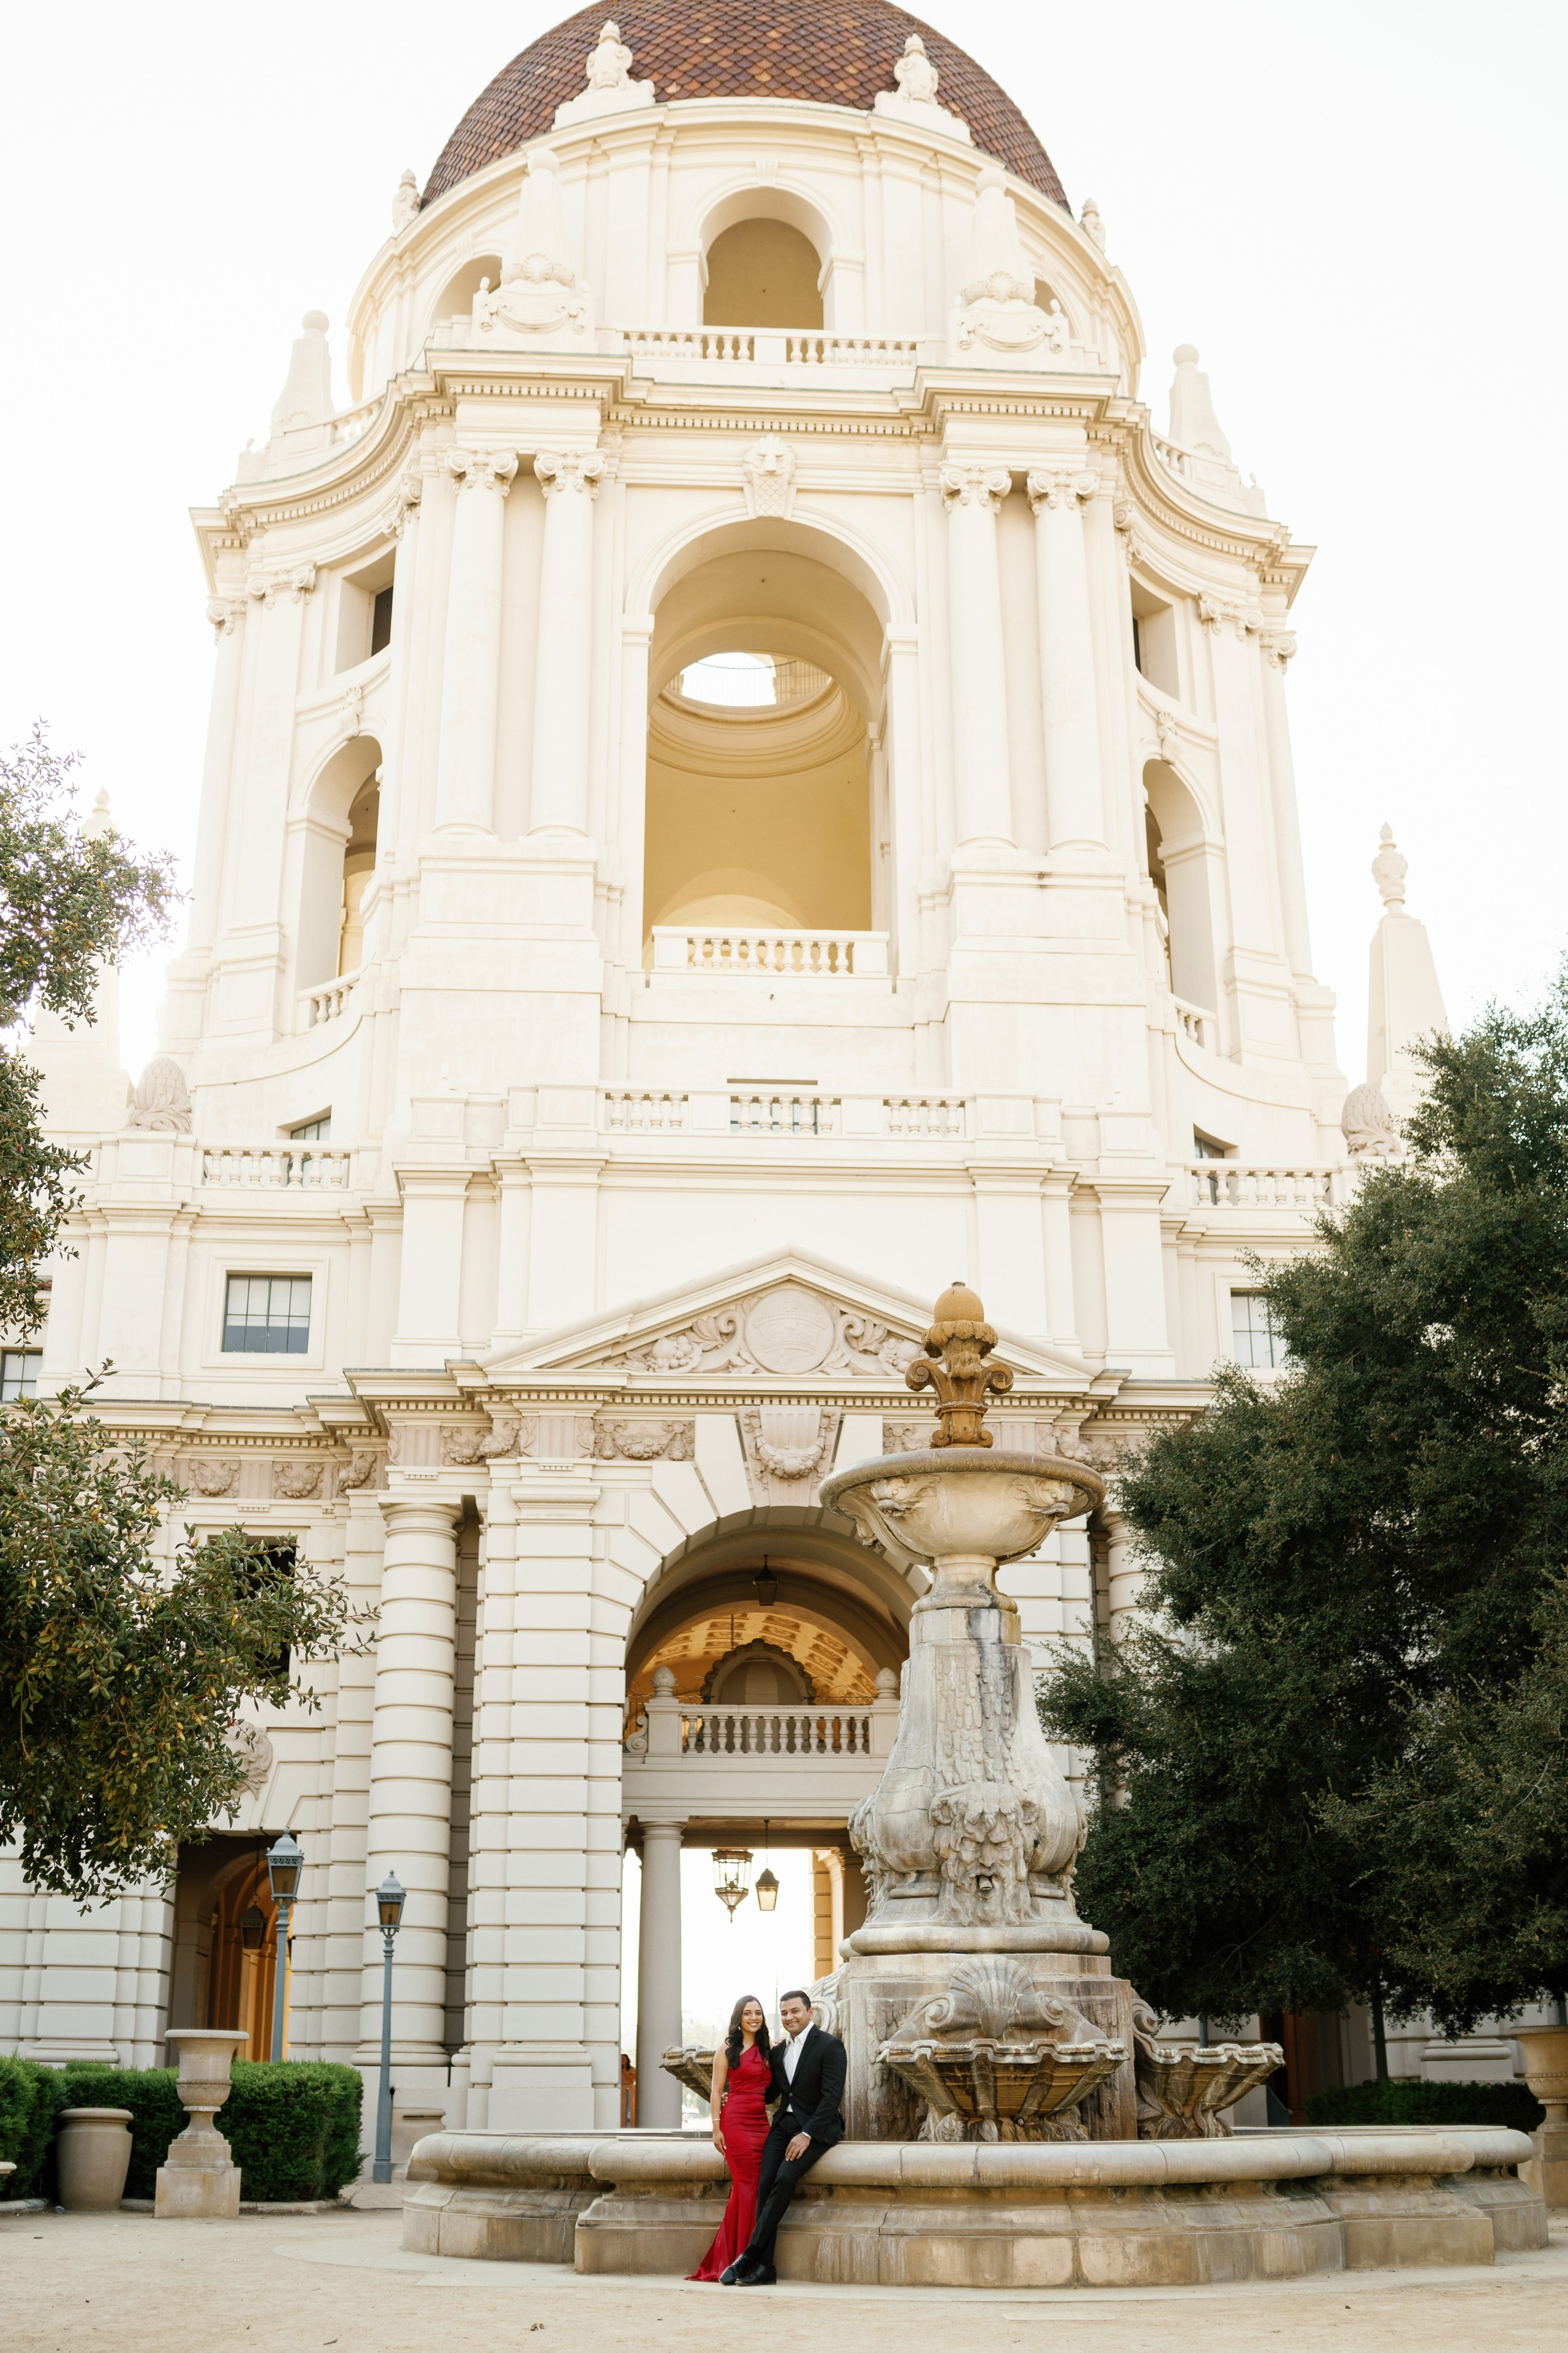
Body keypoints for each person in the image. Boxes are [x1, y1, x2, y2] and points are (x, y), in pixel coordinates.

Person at [721, 1988, 846, 2286]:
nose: (790, 2017)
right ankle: (766, 2269)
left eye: (796, 2011)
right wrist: (735, 2096)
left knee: (785, 2178)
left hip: (815, 2129)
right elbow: (771, 2093)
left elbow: (831, 2099)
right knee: (765, 2185)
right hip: (781, 2127)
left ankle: (750, 2255)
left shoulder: (830, 2046)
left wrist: (807, 2135)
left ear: (810, 2013)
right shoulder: (778, 2051)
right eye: (785, 2013)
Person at [687, 1995, 774, 2282]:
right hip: (735, 2122)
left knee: (757, 2188)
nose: (754, 2017)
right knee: (746, 2187)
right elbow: (715, 2090)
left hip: (761, 2124)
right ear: (739, 2018)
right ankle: (735, 2259)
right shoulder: (727, 2049)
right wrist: (716, 2127)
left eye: (758, 2013)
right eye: (748, 2013)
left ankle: (747, 2257)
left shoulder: (768, 2049)